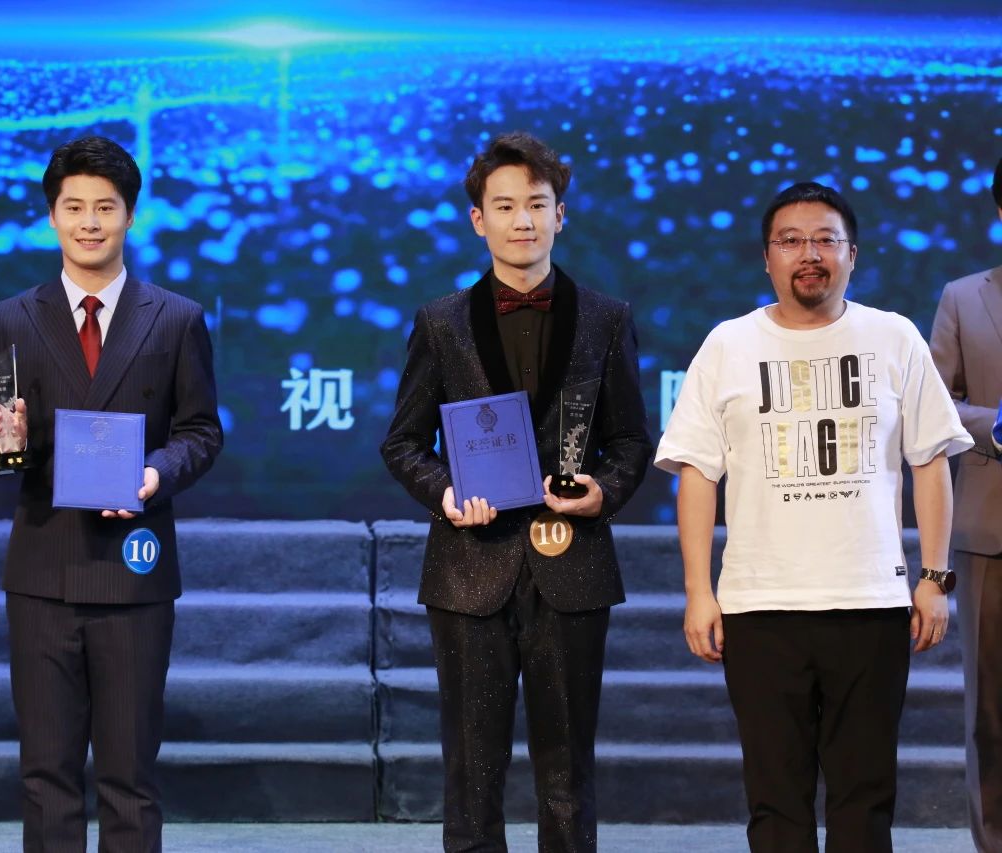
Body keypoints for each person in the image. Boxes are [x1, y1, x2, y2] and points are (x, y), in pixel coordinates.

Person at [656, 181, 972, 852]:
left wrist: (934, 578)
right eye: (792, 241)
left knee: (865, 797)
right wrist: (698, 591)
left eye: (826, 240)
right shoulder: (728, 344)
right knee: (776, 800)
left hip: (871, 603)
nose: (810, 254)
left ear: (852, 254)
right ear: (766, 257)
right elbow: (697, 474)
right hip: (760, 606)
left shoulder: (894, 337)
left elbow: (930, 461)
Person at [380, 131, 652, 852]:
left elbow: (632, 441)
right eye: (504, 206)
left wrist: (602, 491)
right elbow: (403, 442)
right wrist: (445, 494)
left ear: (561, 214)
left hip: (573, 563)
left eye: (537, 203)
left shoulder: (606, 318)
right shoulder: (441, 322)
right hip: (470, 566)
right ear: (479, 220)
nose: (522, 220)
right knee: (472, 770)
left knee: (568, 770)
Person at [0, 135, 222, 853]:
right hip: (43, 569)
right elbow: (7, 449)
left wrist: (156, 473)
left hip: (134, 566)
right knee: (46, 774)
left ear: (130, 214)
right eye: (75, 207)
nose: (90, 222)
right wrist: (5, 439)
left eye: (105, 208)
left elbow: (201, 430)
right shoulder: (11, 318)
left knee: (130, 775)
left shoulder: (175, 317)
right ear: (52, 215)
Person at [929, 154, 1002, 853]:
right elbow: (936, 402)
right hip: (991, 531)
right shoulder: (963, 297)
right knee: (991, 711)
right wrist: (996, 424)